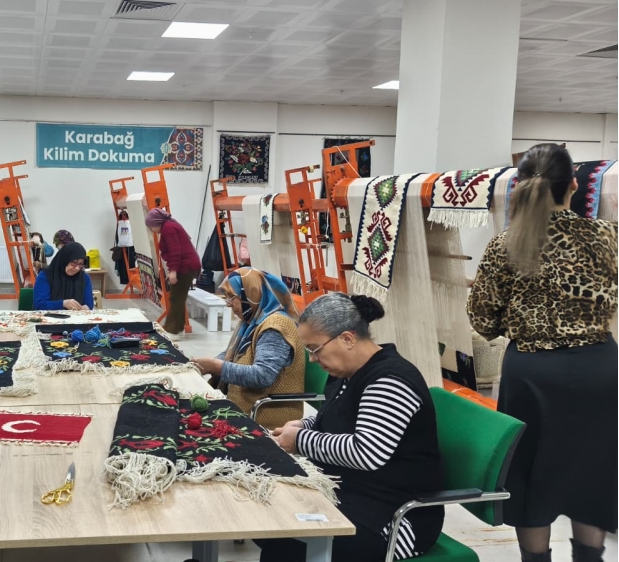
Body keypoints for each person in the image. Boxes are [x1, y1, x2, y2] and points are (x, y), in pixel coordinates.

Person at [467, 143, 617, 562]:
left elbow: (483, 320)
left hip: (532, 374)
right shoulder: (608, 237)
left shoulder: (506, 245)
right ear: (574, 185)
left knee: (531, 473)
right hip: (599, 370)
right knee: (592, 472)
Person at [260, 293, 444, 561]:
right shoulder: (348, 373)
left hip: (394, 517)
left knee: (285, 539)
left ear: (347, 338)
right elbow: (339, 418)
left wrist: (300, 440)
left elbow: (367, 452)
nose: (312, 359)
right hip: (352, 493)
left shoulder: (390, 380)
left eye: (315, 349)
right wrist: (304, 424)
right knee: (271, 521)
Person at [190, 267, 305, 428]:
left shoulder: (275, 327)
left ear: (251, 293)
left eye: (232, 297)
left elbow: (262, 376)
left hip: (265, 412)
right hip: (250, 404)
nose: (228, 304)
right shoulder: (252, 321)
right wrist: (205, 363)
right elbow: (236, 354)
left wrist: (216, 366)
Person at [144, 208, 201, 337]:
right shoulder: (169, 225)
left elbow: (175, 251)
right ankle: (177, 327)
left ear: (157, 223)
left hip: (185, 266)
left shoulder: (168, 229)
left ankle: (171, 330)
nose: (151, 230)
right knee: (178, 297)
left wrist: (173, 271)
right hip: (186, 265)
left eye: (151, 227)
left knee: (176, 298)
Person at [33, 241, 95, 311]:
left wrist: (86, 308)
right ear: (65, 259)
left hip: (76, 317)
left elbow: (89, 305)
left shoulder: (84, 278)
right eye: (74, 262)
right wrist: (63, 303)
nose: (77, 268)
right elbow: (39, 305)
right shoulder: (45, 275)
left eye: (80, 264)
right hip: (49, 317)